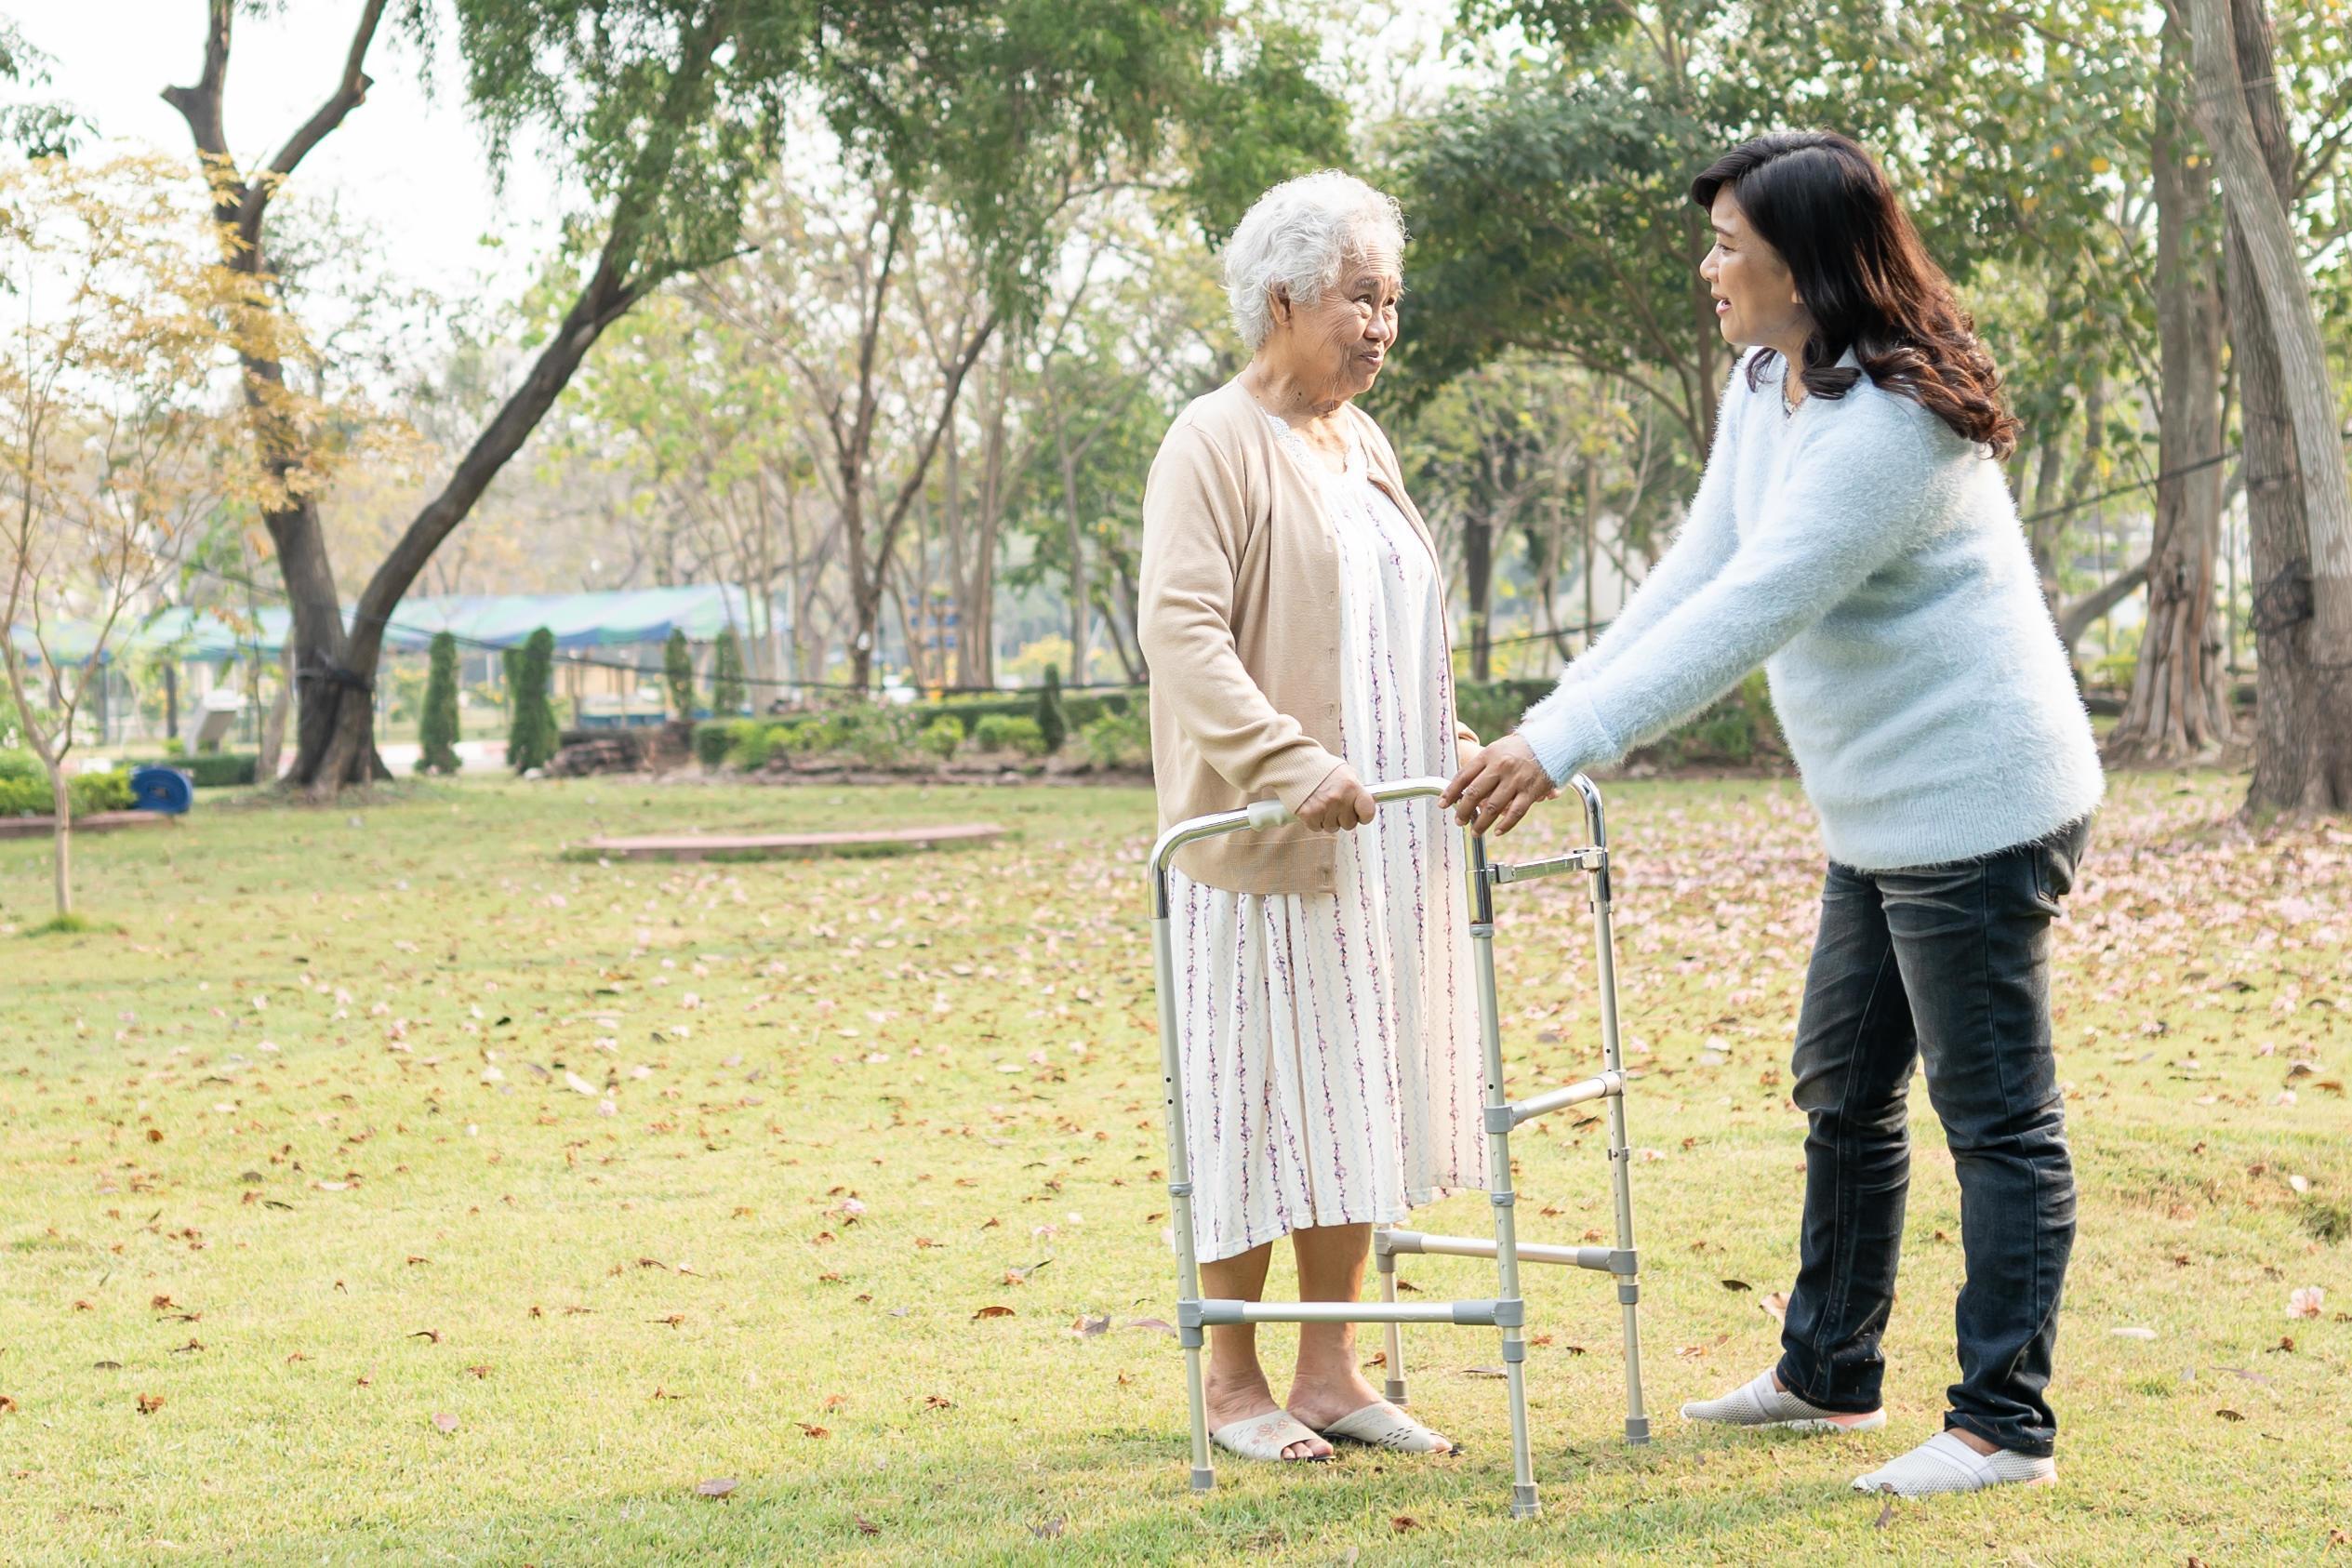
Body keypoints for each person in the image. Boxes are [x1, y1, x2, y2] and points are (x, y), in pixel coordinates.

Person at [1442, 130, 2104, 1498]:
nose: (1707, 271)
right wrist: (1546, 721)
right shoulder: (1770, 384)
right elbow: (1697, 567)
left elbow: (1755, 610)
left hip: (1978, 808)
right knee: (1842, 1085)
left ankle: (2002, 1426)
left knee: (1993, 1118)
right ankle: (1828, 1368)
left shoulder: (1893, 427)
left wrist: (1560, 748)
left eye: (1727, 250)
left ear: (1804, 267)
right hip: (1879, 814)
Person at [1137, 169, 1484, 1465]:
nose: (1382, 323)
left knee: (1352, 1092)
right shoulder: (1211, 441)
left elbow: (1378, 624)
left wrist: (1435, 733)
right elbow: (1180, 633)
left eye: (1392, 298)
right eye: (1359, 296)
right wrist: (1285, 760)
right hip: (1264, 840)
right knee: (1248, 1097)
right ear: (1279, 299)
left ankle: (1331, 1370)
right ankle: (1233, 1380)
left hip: (1381, 834)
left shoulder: (1362, 443)